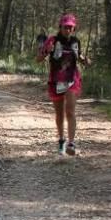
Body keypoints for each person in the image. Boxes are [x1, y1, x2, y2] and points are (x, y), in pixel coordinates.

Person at [36, 13, 90, 155]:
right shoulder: (52, 40)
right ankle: (61, 141)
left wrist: (85, 60)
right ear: (60, 26)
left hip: (72, 79)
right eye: (66, 27)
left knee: (70, 111)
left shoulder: (75, 41)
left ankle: (71, 144)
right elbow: (39, 59)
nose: (68, 30)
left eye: (71, 28)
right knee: (59, 113)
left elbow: (78, 56)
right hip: (55, 81)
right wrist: (47, 51)